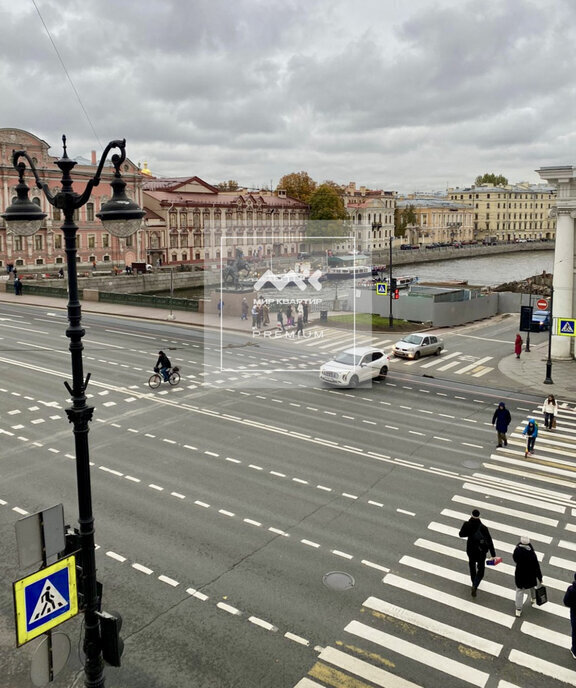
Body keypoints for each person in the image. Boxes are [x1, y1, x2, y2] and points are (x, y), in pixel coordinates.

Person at [459, 508, 496, 597]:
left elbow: (461, 534)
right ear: (479, 516)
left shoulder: (466, 524)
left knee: (472, 567)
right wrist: (493, 555)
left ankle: (473, 583)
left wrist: (469, 533)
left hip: (470, 550)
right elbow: (489, 541)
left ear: (471, 515)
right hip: (481, 551)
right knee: (481, 570)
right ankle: (475, 585)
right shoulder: (483, 528)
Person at [513, 535, 543, 616]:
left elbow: (515, 559)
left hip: (520, 574)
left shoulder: (517, 550)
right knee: (532, 586)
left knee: (519, 591)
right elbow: (536, 566)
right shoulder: (531, 553)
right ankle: (533, 598)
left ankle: (518, 609)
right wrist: (540, 577)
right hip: (530, 574)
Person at [564, 573, 576, 660]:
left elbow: (566, 602)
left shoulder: (572, 590)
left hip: (575, 614)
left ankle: (575, 651)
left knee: (575, 632)